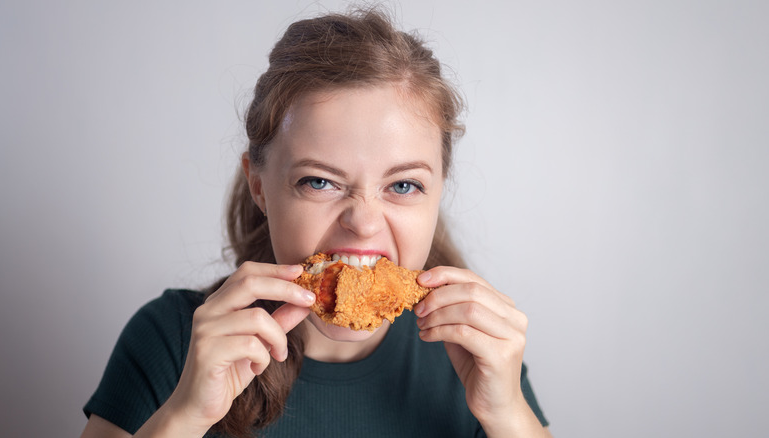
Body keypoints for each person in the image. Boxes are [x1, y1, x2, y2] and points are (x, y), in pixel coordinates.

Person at [80, 9, 551, 438]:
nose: (363, 222)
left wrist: (507, 413)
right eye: (320, 182)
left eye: (403, 185)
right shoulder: (173, 341)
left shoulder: (478, 353)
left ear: (438, 191)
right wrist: (183, 417)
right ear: (259, 186)